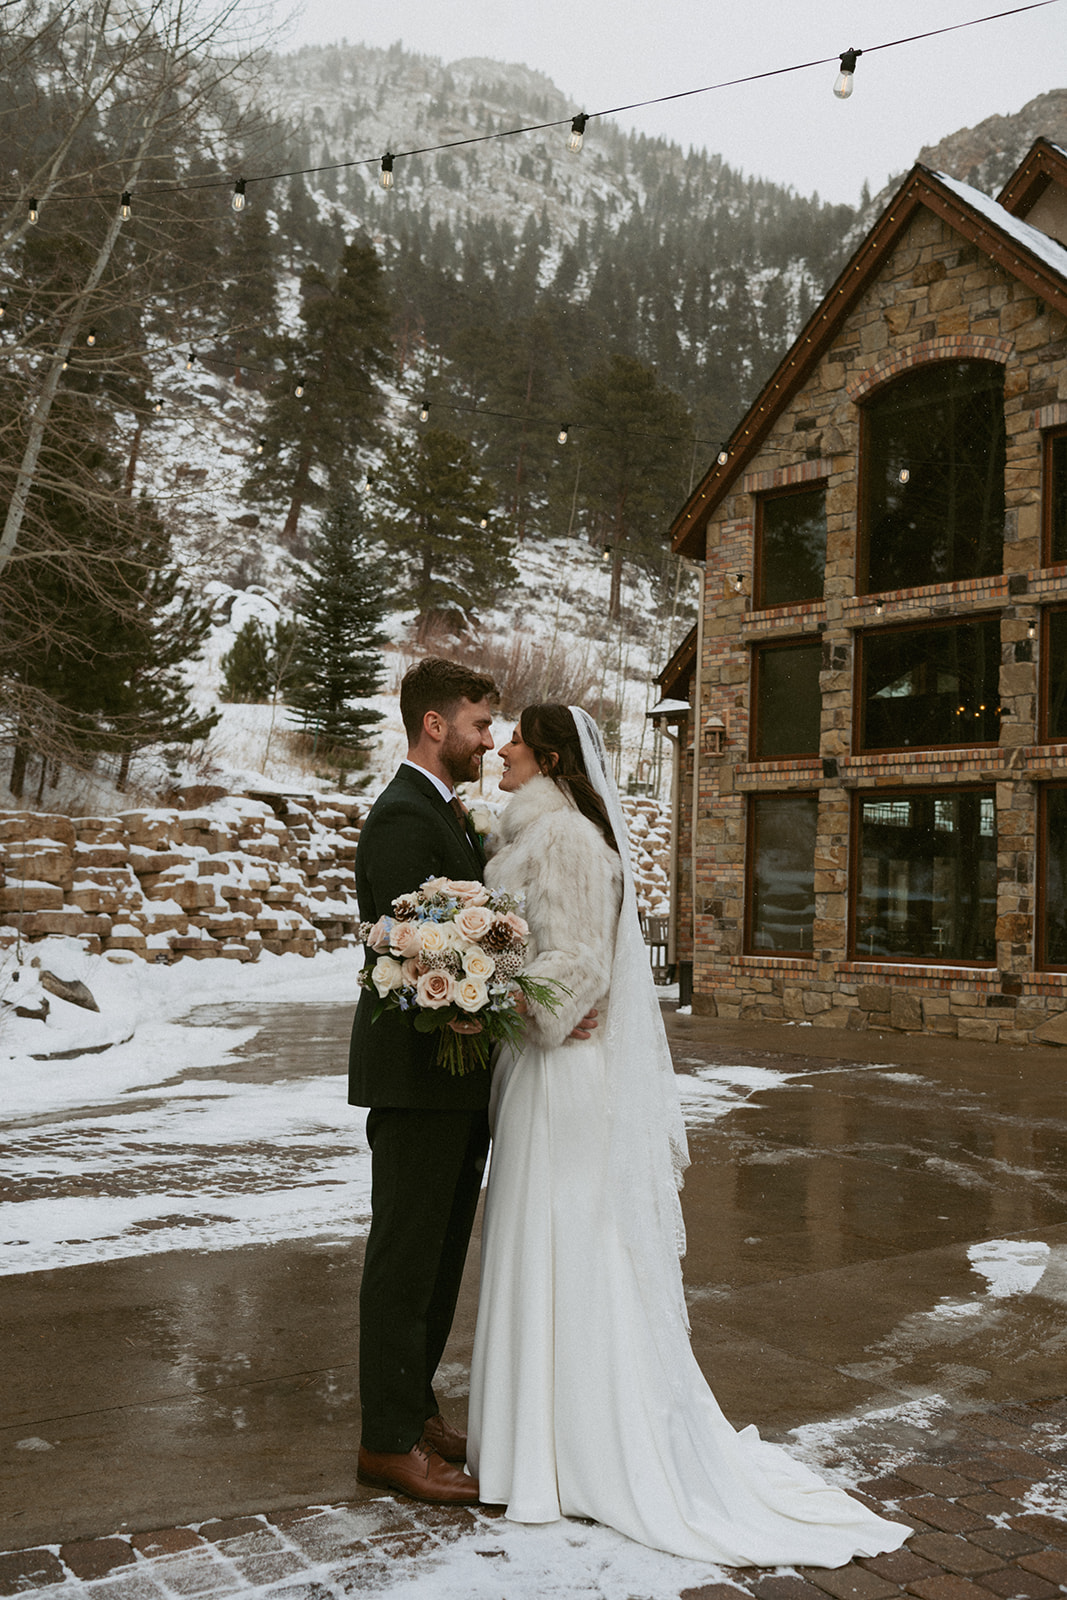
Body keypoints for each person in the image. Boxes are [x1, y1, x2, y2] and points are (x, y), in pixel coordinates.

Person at [467, 703, 911, 1566]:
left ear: (549, 756)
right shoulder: (526, 835)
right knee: (541, 1243)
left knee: (568, 1246)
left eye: (516, 739)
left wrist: (499, 1002)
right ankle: (535, 1445)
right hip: (534, 1071)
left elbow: (579, 963)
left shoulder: (564, 841)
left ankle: (570, 1453)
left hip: (561, 1077)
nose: (503, 749)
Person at [350, 657, 498, 1507]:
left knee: (438, 1259)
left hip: (453, 1076)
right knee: (404, 1259)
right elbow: (407, 948)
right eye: (478, 725)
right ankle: (384, 1443)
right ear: (434, 725)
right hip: (416, 1076)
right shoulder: (402, 817)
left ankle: (414, 1408)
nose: (489, 740)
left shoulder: (442, 808)